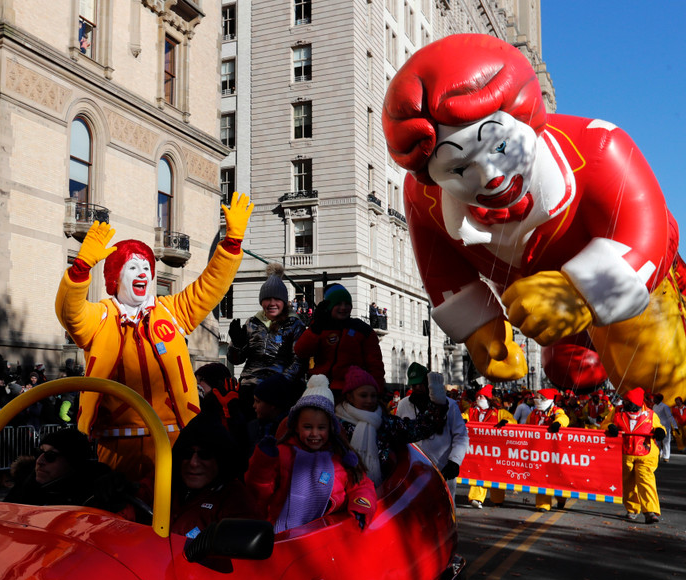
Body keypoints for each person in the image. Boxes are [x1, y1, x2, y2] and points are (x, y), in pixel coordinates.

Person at [383, 33, 686, 400]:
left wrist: (581, 293)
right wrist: (482, 329)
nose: (492, 177)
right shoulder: (423, 199)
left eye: (500, 147)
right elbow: (443, 271)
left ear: (525, 116)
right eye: (460, 170)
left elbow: (642, 236)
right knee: (568, 368)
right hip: (537, 298)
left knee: (651, 376)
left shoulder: (601, 147)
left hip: (631, 279)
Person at [55, 192, 253, 480]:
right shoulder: (99, 317)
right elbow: (69, 311)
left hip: (173, 438)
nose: (142, 274)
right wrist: (80, 268)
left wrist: (230, 244)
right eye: (132, 267)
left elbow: (210, 285)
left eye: (146, 268)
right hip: (116, 443)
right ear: (115, 277)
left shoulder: (171, 310)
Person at [246, 375, 377, 534]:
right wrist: (263, 462)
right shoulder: (284, 454)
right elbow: (259, 491)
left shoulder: (340, 459)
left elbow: (361, 485)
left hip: (322, 536)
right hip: (282, 535)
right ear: (296, 427)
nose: (314, 433)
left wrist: (361, 506)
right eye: (308, 427)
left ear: (331, 429)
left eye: (321, 427)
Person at [335, 366, 450, 486]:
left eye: (373, 396)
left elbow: (418, 429)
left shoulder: (385, 422)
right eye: (363, 396)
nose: (369, 400)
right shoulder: (336, 424)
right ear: (350, 397)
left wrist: (438, 404)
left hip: (381, 494)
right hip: (343, 491)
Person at [226, 263, 307, 414]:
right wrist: (237, 345)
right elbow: (235, 360)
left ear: (284, 302)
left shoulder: (295, 324)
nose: (271, 303)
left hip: (281, 387)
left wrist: (278, 383)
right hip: (251, 385)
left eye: (276, 299)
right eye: (267, 299)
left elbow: (300, 361)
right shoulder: (252, 323)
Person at [168, 413, 262, 537]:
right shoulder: (165, 482)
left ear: (220, 460)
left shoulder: (236, 501)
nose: (193, 463)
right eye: (187, 453)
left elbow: (243, 544)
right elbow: (142, 492)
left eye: (204, 455)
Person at [294, 283, 385, 396]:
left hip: (352, 392)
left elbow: (375, 365)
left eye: (347, 304)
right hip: (320, 389)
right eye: (338, 304)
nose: (343, 308)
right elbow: (301, 351)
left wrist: (378, 393)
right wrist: (316, 327)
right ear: (329, 306)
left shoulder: (362, 330)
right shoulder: (320, 327)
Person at [396, 363, 468, 499]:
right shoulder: (403, 405)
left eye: (420, 384)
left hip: (443, 470)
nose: (417, 388)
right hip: (414, 471)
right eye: (414, 385)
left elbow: (461, 436)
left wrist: (454, 461)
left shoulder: (450, 405)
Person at [3, 428, 112, 507]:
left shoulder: (94, 498)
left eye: (50, 456)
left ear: (72, 462)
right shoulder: (24, 486)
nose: (39, 461)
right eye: (39, 452)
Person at [604, 388, 664, 524]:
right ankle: (632, 509)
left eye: (627, 401)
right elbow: (606, 423)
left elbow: (658, 426)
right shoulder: (617, 411)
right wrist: (610, 427)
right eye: (624, 401)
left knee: (646, 480)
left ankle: (650, 511)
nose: (624, 403)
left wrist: (660, 431)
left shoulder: (649, 414)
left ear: (635, 403)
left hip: (646, 453)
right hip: (625, 453)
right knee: (628, 483)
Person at [463, 385, 515, 508]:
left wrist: (506, 422)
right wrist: (463, 420)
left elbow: (511, 420)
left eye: (481, 396)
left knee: (496, 472)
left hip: (495, 448)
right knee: (479, 471)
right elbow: (463, 416)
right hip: (478, 449)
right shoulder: (471, 411)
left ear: (488, 398)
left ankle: (497, 499)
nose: (478, 398)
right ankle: (476, 498)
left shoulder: (499, 412)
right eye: (477, 396)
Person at [525, 389, 569, 510]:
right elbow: (526, 427)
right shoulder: (533, 413)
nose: (536, 399)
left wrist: (558, 423)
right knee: (540, 476)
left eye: (539, 397)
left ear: (547, 399)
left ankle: (561, 498)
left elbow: (564, 418)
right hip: (537, 449)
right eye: (536, 397)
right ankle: (543, 504)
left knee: (556, 477)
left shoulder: (556, 411)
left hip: (553, 449)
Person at [647, 393, 675, 463]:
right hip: (657, 425)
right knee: (657, 441)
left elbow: (670, 416)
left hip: (665, 426)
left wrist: (675, 426)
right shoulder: (654, 406)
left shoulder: (665, 407)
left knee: (666, 441)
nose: (653, 399)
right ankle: (658, 454)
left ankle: (666, 456)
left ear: (658, 399)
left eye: (655, 398)